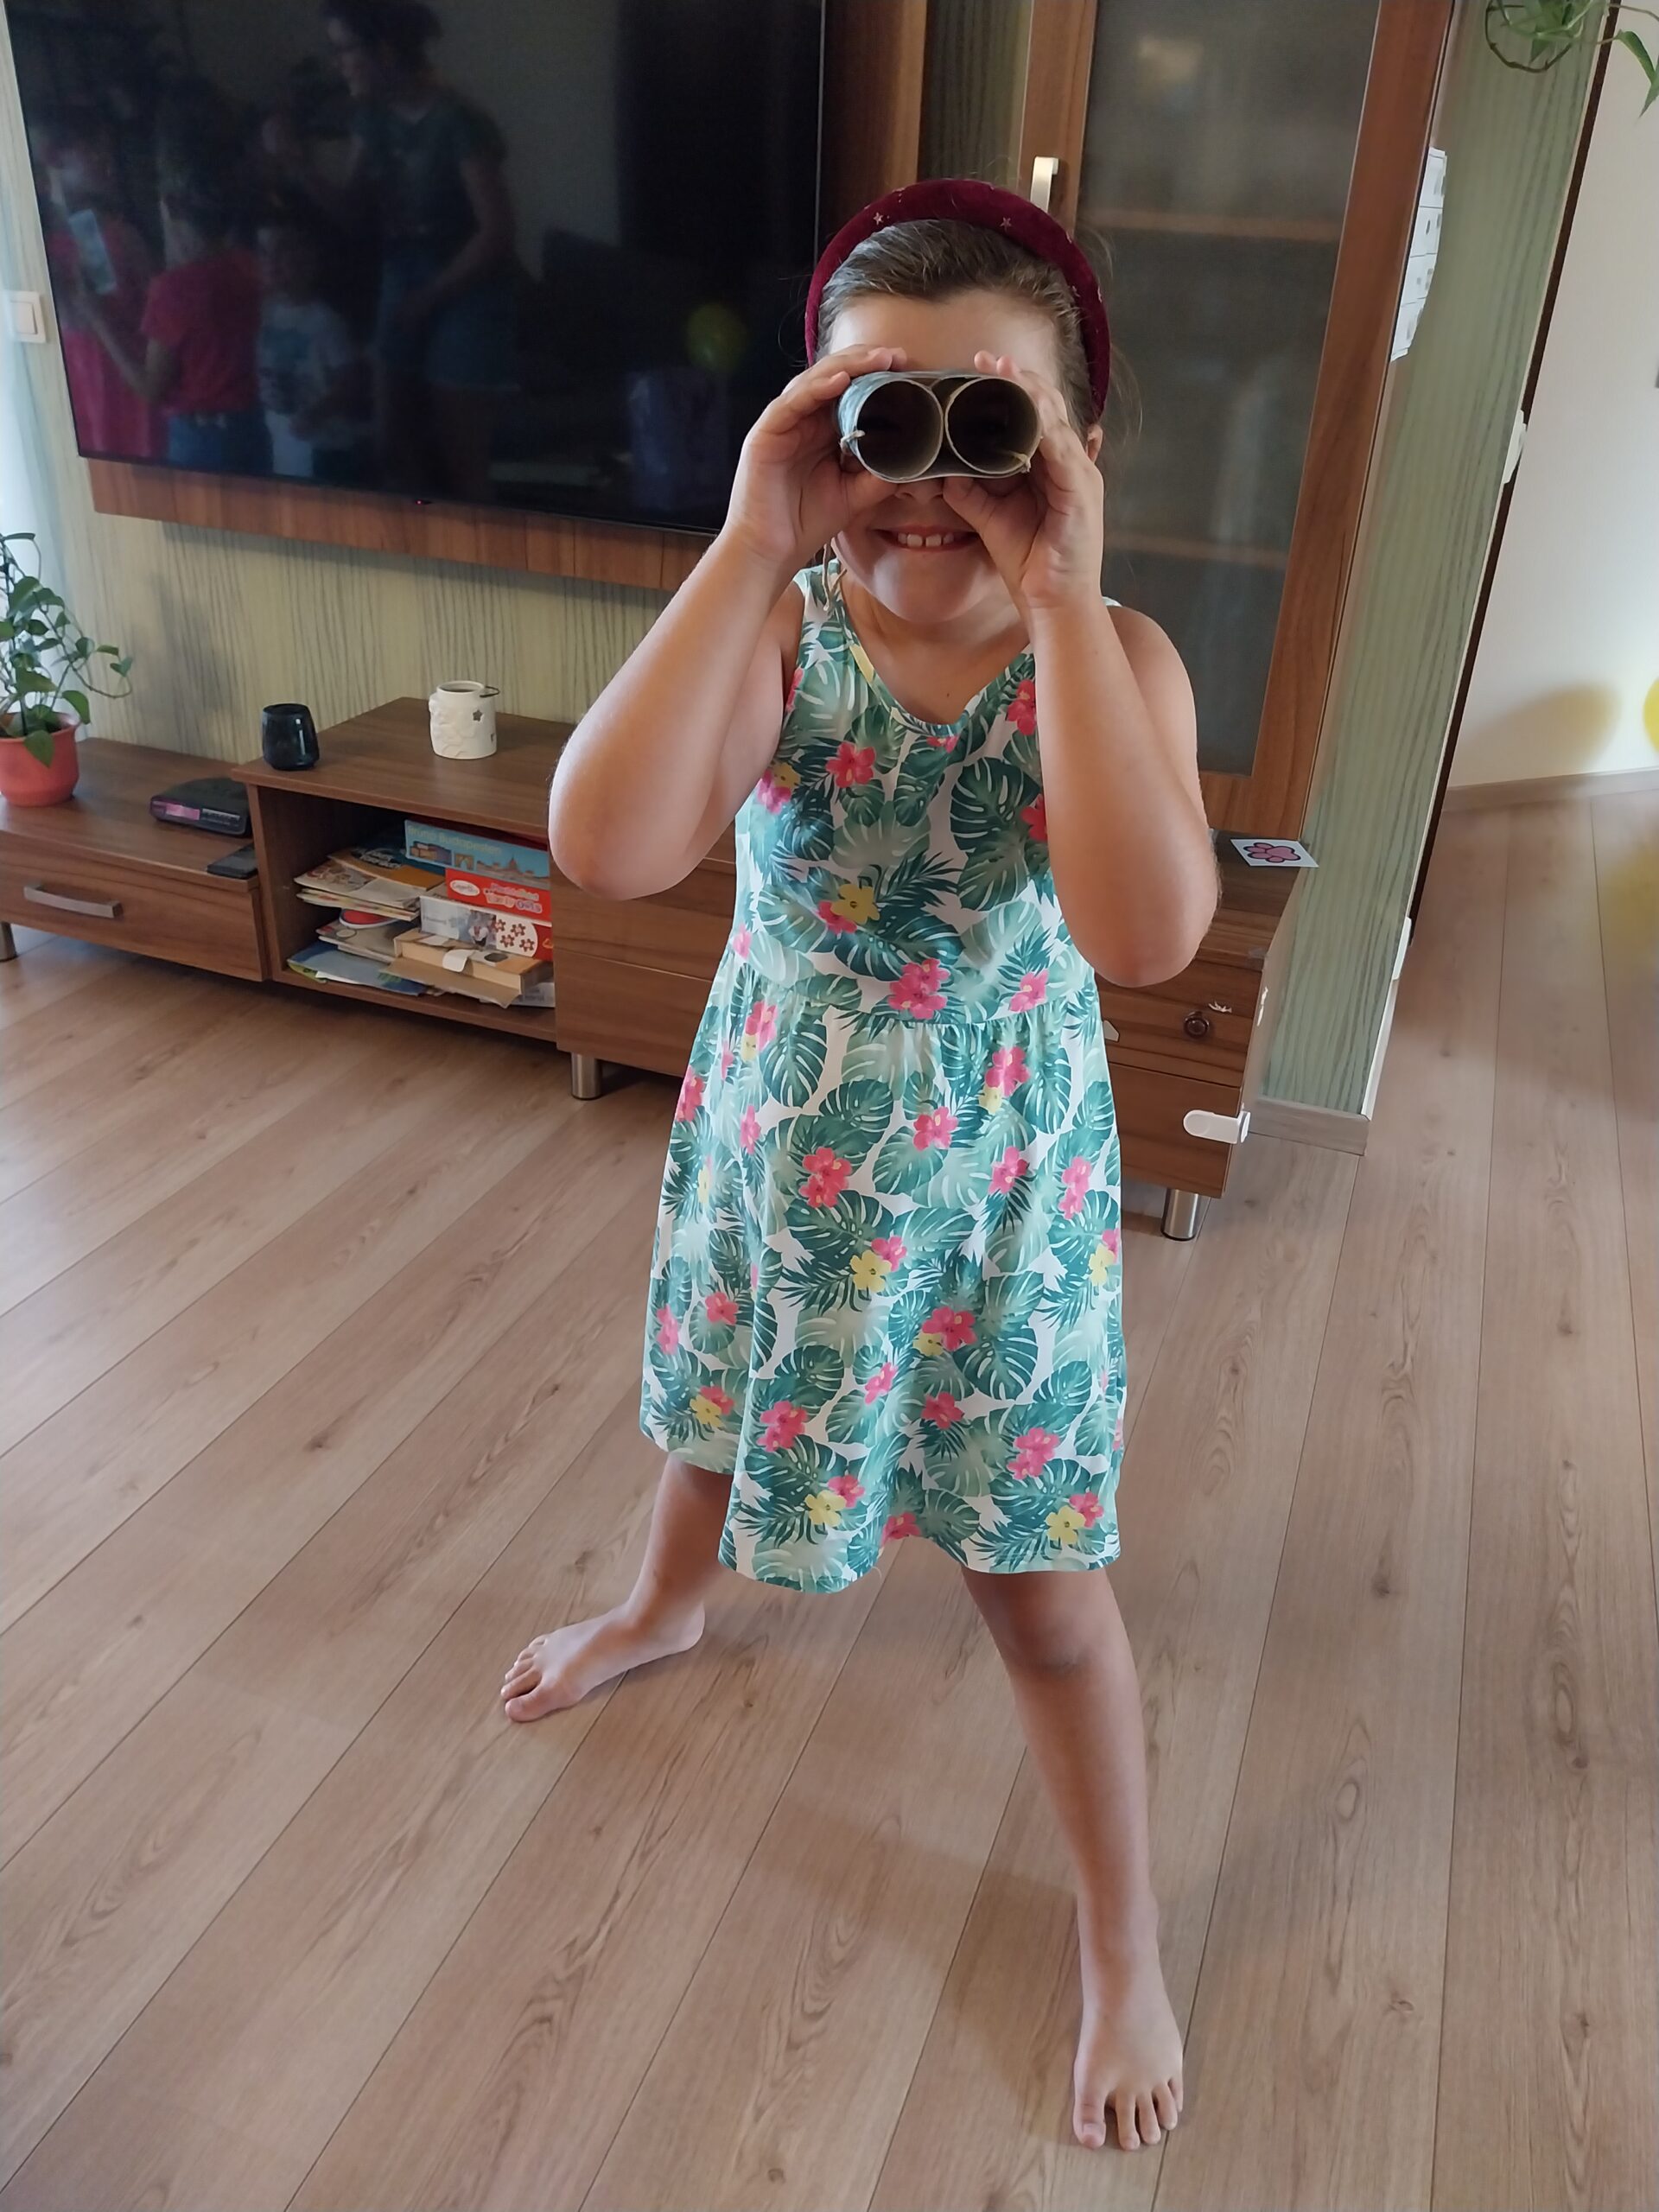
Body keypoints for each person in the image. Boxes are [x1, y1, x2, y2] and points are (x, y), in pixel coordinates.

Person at [504, 180, 1218, 2155]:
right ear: (813, 421)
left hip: (996, 1197)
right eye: (878, 415)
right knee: (721, 1401)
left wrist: (1063, 600)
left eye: (991, 427)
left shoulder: (1117, 659)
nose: (928, 481)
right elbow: (606, 842)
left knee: (1044, 1595)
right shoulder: (783, 629)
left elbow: (1144, 932)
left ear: (1076, 449)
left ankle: (1122, 1934)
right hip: (789, 1146)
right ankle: (662, 1601)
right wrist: (753, 537)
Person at [264, 0, 514, 501]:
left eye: (344, 49)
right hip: (405, 273)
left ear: (384, 51)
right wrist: (297, 164)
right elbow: (351, 211)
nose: (339, 63)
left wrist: (429, 298)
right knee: (392, 447)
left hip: (468, 284)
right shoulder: (371, 117)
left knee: (462, 461)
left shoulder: (459, 121)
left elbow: (497, 232)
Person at [81, 178, 266, 474]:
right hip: (252, 425)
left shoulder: (174, 289)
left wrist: (98, 320)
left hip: (201, 436)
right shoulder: (250, 268)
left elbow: (151, 388)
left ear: (170, 214)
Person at [41, 111, 162, 462]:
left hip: (132, 380)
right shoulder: (40, 243)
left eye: (106, 150)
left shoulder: (123, 236)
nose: (105, 160)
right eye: (91, 149)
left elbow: (161, 319)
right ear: (56, 157)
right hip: (81, 387)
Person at [256, 215, 370, 482]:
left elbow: (350, 383)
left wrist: (316, 414)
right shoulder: (265, 311)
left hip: (325, 447)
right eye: (264, 253)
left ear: (308, 261)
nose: (271, 262)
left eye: (282, 251)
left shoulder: (326, 321)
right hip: (280, 436)